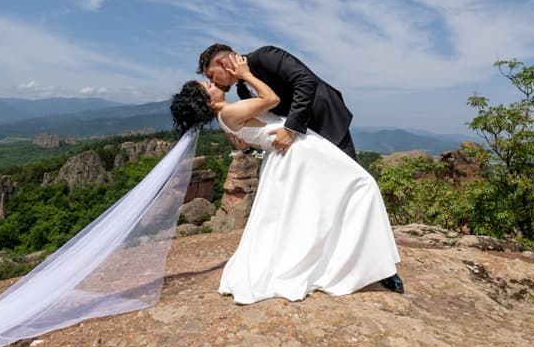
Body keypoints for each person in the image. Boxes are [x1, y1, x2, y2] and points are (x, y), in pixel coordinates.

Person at [171, 53, 404, 303]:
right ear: (205, 101)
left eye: (209, 78)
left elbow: (295, 90)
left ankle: (367, 264)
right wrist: (247, 76)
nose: (213, 84)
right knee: (361, 185)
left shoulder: (233, 105)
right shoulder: (230, 111)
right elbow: (272, 99)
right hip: (299, 151)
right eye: (208, 86)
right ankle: (368, 266)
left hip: (299, 146)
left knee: (327, 205)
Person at [198, 44, 357, 159]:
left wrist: (291, 129)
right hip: (300, 144)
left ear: (222, 63)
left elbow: (305, 81)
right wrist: (247, 149)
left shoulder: (264, 56)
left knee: (350, 177)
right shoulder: (242, 91)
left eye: (211, 75)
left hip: (325, 121)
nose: (213, 81)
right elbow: (266, 125)